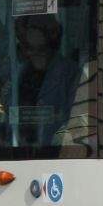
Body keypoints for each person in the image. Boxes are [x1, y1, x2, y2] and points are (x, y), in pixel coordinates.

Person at [11, 16, 78, 145]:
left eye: (40, 49)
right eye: (28, 47)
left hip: (56, 151)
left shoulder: (69, 73)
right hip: (21, 151)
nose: (32, 54)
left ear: (52, 44)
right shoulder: (22, 73)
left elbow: (78, 118)